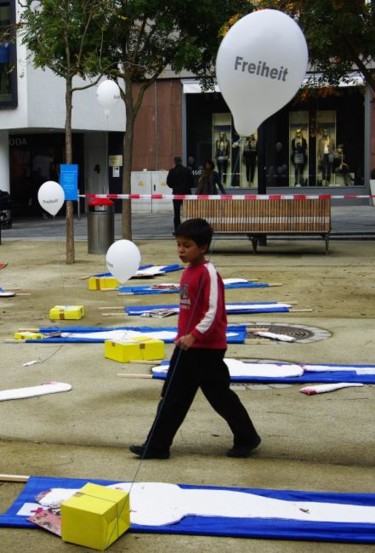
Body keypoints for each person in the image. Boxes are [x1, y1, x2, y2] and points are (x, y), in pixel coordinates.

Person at [129, 218, 261, 460]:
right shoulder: (188, 271)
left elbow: (214, 311)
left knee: (220, 397)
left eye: (187, 245)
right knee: (172, 397)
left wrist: (195, 335)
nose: (181, 250)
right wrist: (182, 336)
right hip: (186, 346)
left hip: (206, 349)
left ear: (203, 247)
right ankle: (157, 446)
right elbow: (188, 310)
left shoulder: (208, 273)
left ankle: (247, 437)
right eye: (178, 244)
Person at [166, 156, 194, 232]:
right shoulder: (187, 170)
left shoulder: (172, 171)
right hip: (186, 194)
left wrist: (174, 186)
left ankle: (178, 230)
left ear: (174, 162)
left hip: (176, 193)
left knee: (177, 213)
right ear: (181, 161)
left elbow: (168, 183)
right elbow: (192, 183)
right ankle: (189, 229)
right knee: (188, 212)